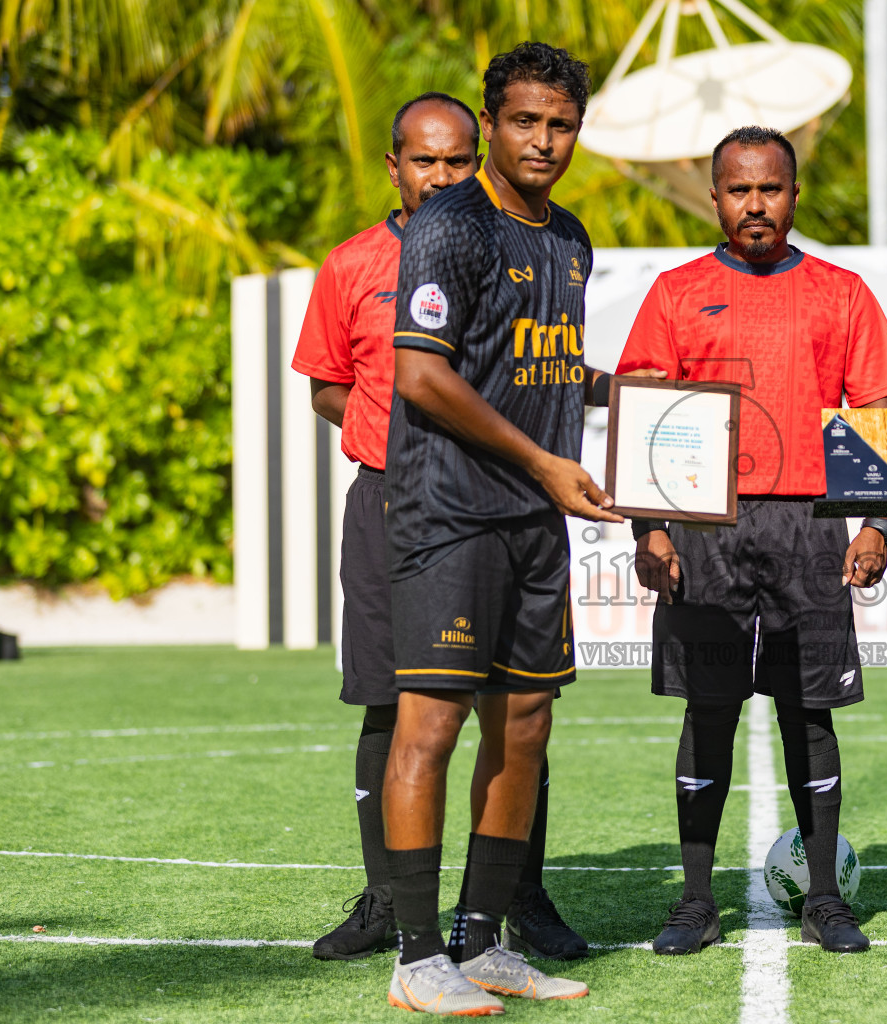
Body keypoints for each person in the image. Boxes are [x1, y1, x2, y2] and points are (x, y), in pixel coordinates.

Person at [293, 91, 593, 967]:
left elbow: (542, 361)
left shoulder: (530, 239)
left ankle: (508, 900)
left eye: (457, 161)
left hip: (507, 504)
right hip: (403, 501)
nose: (443, 176)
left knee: (518, 706)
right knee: (397, 703)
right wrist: (399, 439)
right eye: (425, 161)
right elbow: (327, 383)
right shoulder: (352, 264)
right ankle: (393, 903)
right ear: (396, 167)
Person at [379, 43, 646, 1015]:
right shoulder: (450, 224)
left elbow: (536, 364)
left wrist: (635, 397)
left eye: (561, 124)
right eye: (526, 121)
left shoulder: (569, 238)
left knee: (526, 723)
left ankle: (484, 941)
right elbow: (424, 375)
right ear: (492, 124)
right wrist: (541, 463)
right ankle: (417, 954)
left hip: (538, 523)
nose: (544, 140)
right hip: (452, 515)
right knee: (434, 725)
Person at [618, 126, 887, 956]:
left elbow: (881, 413)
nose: (756, 203)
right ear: (715, 196)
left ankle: (823, 896)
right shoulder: (676, 293)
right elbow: (645, 415)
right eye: (739, 189)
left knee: (809, 713)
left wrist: (876, 526)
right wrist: (651, 530)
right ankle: (693, 901)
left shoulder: (842, 293)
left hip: (810, 530)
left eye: (771, 188)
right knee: (706, 714)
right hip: (706, 529)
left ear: (794, 193)